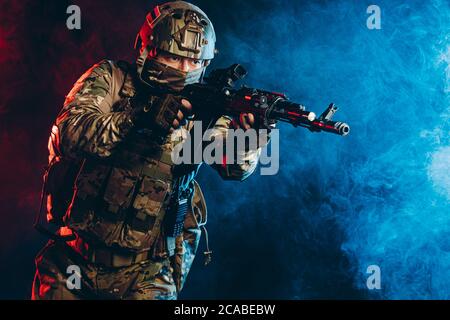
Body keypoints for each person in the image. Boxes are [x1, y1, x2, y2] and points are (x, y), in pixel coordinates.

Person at [32, 1, 267, 300]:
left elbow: (234, 167)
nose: (183, 70)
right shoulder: (112, 79)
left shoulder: (203, 110)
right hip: (72, 257)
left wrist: (250, 139)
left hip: (146, 273)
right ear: (148, 48)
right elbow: (70, 134)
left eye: (193, 62)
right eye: (173, 57)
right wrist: (138, 117)